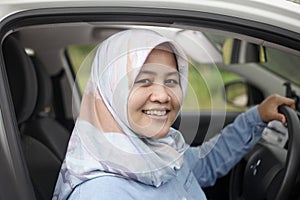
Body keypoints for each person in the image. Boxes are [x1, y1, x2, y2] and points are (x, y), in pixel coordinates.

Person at [52, 29, 295, 200]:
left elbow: (206, 163)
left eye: (171, 81)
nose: (163, 95)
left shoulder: (159, 152)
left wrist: (257, 117)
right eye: (143, 80)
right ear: (109, 91)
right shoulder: (101, 193)